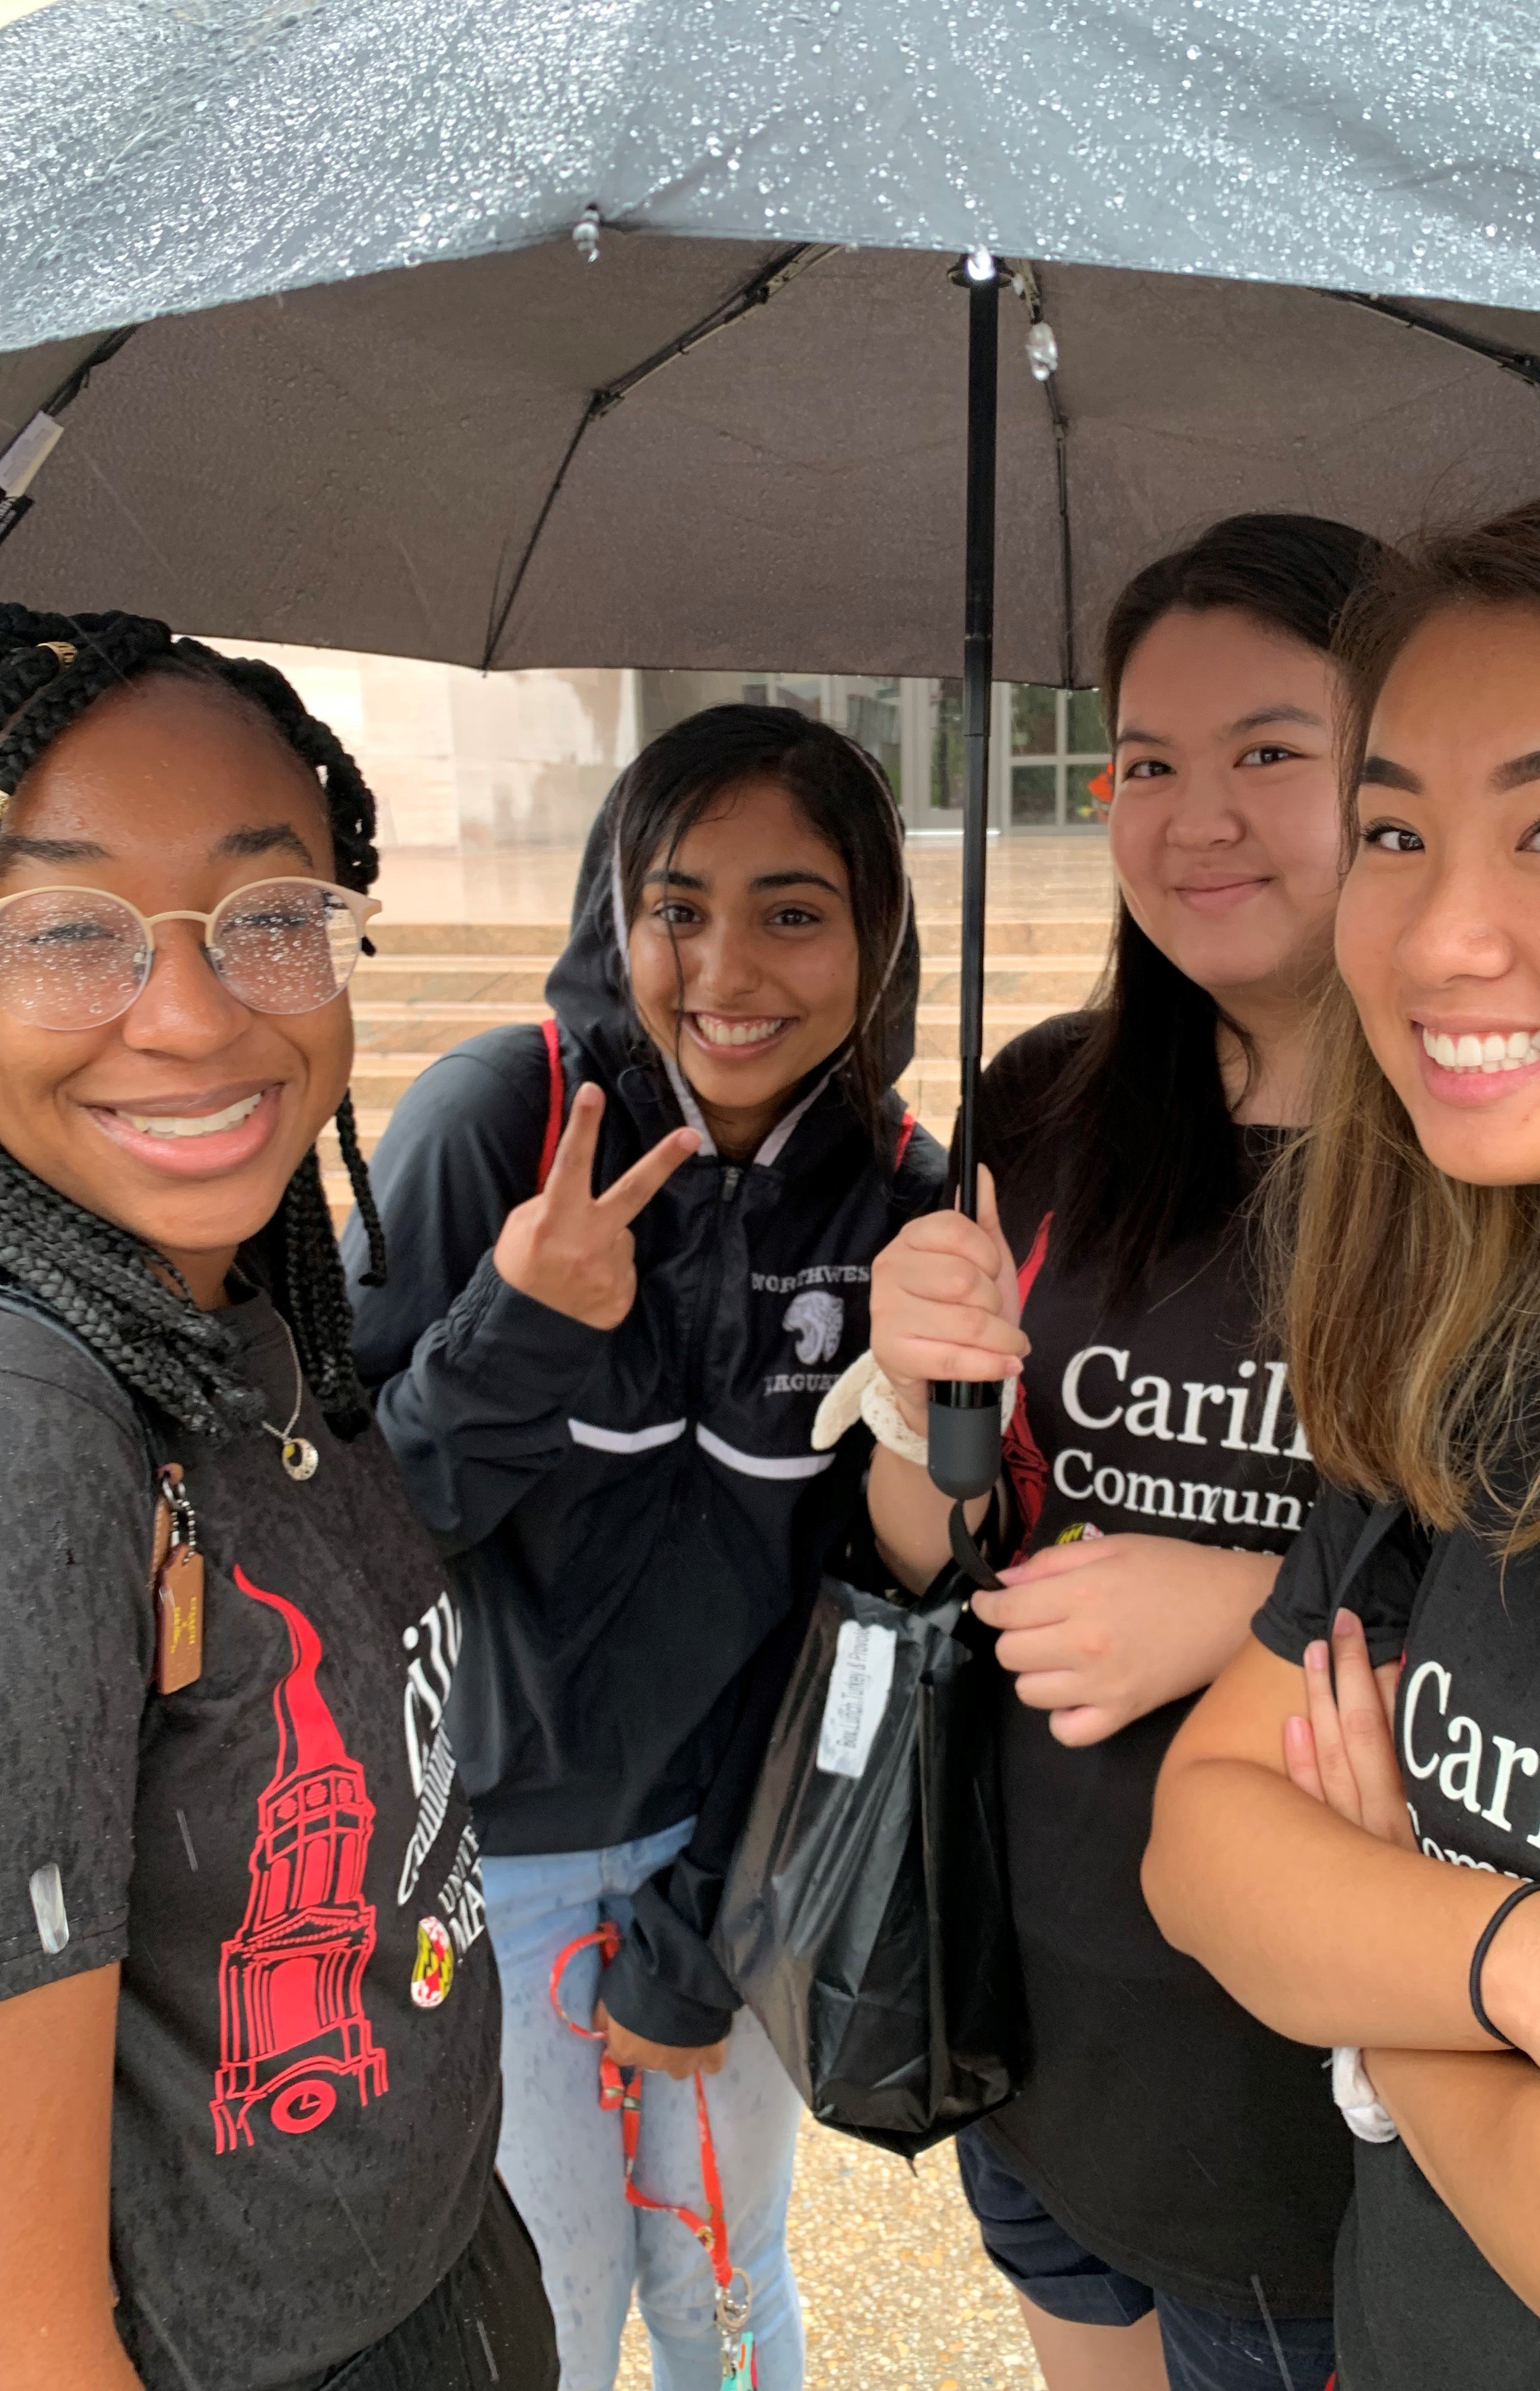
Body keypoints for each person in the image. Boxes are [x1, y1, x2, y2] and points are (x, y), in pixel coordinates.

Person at [1144, 483, 1540, 2391]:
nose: (1437, 934)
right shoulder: (1490, 1345)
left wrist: (1382, 2002)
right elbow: (1205, 1845)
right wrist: (1535, 1967)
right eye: (1395, 830)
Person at [348, 704, 943, 2391]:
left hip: (730, 1851)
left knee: (724, 2285)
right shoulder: (494, 1122)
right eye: (679, 906)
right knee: (542, 2306)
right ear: (619, 910)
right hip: (487, 1862)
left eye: (795, 909)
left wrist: (704, 1927)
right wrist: (518, 1326)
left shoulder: (903, 1207)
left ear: (876, 934)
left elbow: (860, 1618)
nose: (728, 966)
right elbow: (360, 1541)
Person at [0, 606, 556, 2391]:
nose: (192, 1009)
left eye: (272, 916)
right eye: (67, 930)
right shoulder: (36, 1427)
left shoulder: (236, 1319)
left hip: (438, 2276)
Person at [863, 516, 1382, 2391]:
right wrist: (912, 1383)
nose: (1195, 817)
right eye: (1149, 763)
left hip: (1287, 2087)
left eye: (1269, 752)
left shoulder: (1504, 1173)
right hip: (1032, 2007)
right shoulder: (1048, 1109)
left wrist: (1246, 1603)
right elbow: (934, 1544)